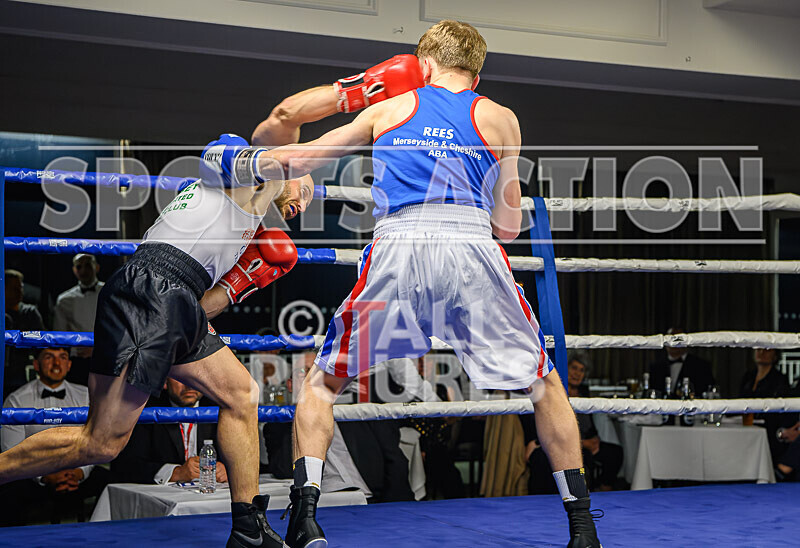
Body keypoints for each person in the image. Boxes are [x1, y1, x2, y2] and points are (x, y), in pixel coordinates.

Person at [249, 20, 601, 548]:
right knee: (543, 384)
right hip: (472, 249)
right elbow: (507, 228)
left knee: (322, 384)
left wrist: (243, 161)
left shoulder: (389, 109)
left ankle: (305, 520)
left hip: (398, 247)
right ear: (477, 74)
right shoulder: (501, 118)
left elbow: (303, 154)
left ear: (425, 64)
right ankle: (580, 529)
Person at [0, 137, 306, 547]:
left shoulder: (228, 213)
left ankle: (248, 527)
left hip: (176, 301)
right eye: (306, 190)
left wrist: (239, 285)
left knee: (242, 393)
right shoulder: (243, 181)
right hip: (152, 292)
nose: (303, 205)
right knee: (101, 442)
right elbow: (283, 141)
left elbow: (198, 307)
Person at [263, 352, 414, 503]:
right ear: (290, 385)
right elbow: (282, 470)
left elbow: (395, 461)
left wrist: (391, 510)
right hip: (318, 504)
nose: (311, 377)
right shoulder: (277, 425)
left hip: (368, 500)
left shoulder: (360, 412)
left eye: (319, 371)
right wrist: (302, 415)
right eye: (303, 372)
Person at [0, 347, 109, 526]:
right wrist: (44, 475)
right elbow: (12, 451)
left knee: (112, 480)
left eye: (62, 357)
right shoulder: (16, 400)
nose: (57, 363)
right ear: (36, 364)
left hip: (76, 470)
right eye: (49, 357)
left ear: (69, 364)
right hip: (33, 475)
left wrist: (80, 472)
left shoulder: (86, 395)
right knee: (8, 493)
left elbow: (95, 441)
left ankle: (103, 540)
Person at [522, 353, 623, 493]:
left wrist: (594, 439)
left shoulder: (584, 392)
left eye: (582, 370)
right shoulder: (555, 390)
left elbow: (589, 422)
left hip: (583, 440)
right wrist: (583, 443)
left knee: (615, 452)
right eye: (574, 368)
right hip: (560, 440)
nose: (577, 373)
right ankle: (570, 498)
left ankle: (604, 492)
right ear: (565, 368)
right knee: (552, 458)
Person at [110, 378, 227, 485]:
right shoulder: (145, 409)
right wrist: (176, 472)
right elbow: (125, 465)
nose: (189, 386)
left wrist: (227, 469)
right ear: (165, 381)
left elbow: (239, 456)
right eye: (181, 378)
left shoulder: (219, 409)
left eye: (196, 379)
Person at [53, 253, 105, 385]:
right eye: (79, 266)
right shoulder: (64, 299)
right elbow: (60, 334)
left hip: (106, 357)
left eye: (87, 265)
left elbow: (119, 328)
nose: (83, 270)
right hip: (78, 360)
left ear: (97, 267)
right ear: (74, 270)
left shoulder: (109, 292)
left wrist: (98, 348)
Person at [739, 348, 794, 463]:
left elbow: (781, 414)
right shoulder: (748, 376)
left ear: (775, 356)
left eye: (767, 350)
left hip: (768, 432)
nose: (761, 352)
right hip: (745, 429)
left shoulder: (779, 379)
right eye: (758, 349)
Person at [4, 269, 45, 397]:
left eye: (20, 287)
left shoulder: (30, 312)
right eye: (14, 288)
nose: (19, 292)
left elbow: (41, 343)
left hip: (20, 371)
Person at [649, 327, 715, 396]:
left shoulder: (701, 366)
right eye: (670, 339)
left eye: (678, 339)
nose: (673, 343)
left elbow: (708, 392)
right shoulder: (656, 367)